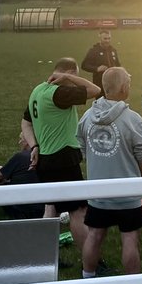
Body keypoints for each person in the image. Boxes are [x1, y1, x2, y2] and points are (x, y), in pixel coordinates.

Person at [76, 67, 142, 284]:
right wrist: (133, 175)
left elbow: (82, 148)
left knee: (95, 234)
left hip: (97, 192)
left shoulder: (87, 117)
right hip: (126, 193)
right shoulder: (132, 119)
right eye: (128, 83)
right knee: (129, 238)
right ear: (123, 88)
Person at [20, 58, 102, 256]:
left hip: (45, 160)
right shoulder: (60, 93)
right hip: (63, 158)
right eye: (75, 76)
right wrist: (67, 77)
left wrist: (34, 146)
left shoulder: (38, 90)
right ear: (69, 72)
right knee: (78, 211)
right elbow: (95, 90)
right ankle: (90, 262)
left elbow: (25, 123)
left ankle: (44, 256)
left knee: (51, 208)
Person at [0, 135, 44, 219]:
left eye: (20, 139)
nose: (19, 142)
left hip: (21, 209)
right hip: (44, 207)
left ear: (27, 142)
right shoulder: (45, 158)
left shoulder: (20, 157)